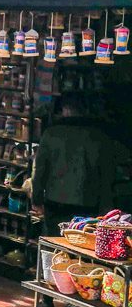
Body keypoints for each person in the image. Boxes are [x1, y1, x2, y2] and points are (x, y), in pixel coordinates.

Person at [32, 100, 127, 235]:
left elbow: (40, 171)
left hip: (56, 202)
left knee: (54, 245)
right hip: (88, 204)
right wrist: (106, 209)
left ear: (64, 110)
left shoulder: (51, 134)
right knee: (82, 247)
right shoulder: (100, 137)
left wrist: (36, 198)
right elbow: (107, 177)